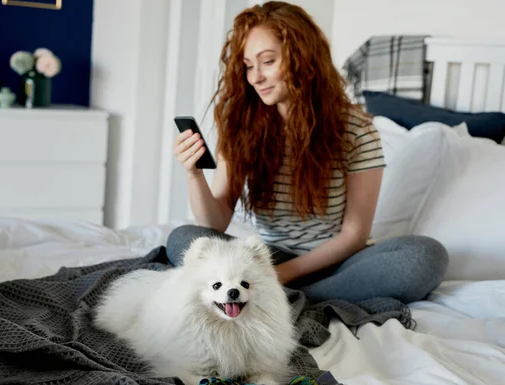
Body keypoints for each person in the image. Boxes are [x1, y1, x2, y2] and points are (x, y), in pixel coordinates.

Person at [167, 1, 448, 304]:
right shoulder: (242, 125)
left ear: (302, 58)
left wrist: (281, 275)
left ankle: (294, 297)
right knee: (183, 240)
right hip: (266, 259)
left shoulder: (354, 129)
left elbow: (354, 236)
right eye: (249, 65)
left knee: (426, 257)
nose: (255, 77)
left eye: (268, 61)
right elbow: (215, 224)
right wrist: (194, 174)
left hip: (335, 264)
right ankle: (284, 295)